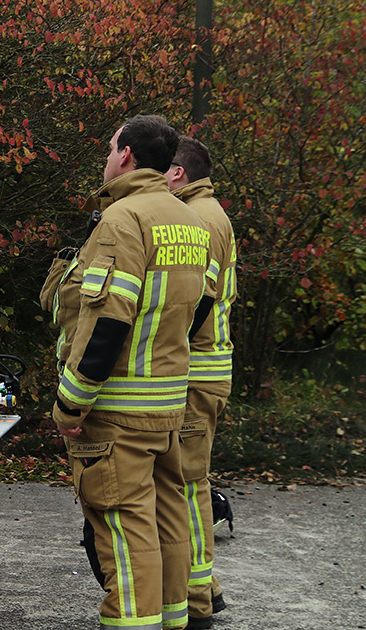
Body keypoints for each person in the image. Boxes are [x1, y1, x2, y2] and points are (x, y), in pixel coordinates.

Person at [51, 115, 210, 630]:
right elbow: (200, 308)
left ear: (125, 156)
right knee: (168, 521)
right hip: (167, 405)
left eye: (109, 145)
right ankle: (175, 621)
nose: (107, 156)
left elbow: (105, 325)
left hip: (118, 410)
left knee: (124, 530)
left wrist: (70, 405)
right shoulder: (190, 220)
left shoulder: (123, 220)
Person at [166, 136, 236, 630]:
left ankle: (196, 599)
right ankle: (204, 587)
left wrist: (167, 350)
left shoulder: (203, 218)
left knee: (188, 485)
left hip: (197, 369)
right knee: (190, 483)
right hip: (204, 369)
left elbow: (202, 300)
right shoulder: (207, 211)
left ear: (176, 172)